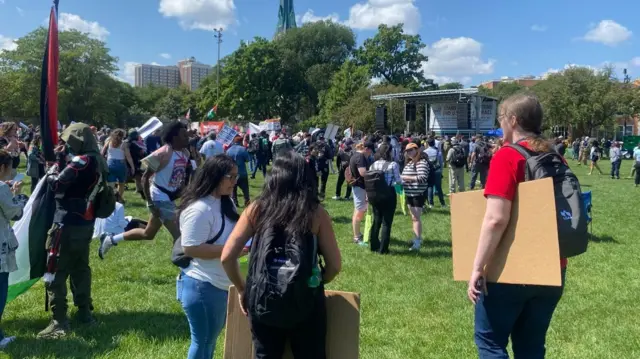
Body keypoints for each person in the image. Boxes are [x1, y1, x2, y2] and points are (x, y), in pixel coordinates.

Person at [468, 93, 565, 358]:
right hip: (553, 267)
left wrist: (477, 268)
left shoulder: (507, 157)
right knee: (531, 346)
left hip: (511, 269)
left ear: (512, 120)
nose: (501, 125)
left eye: (501, 119)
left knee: (490, 343)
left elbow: (496, 218)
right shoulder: (555, 155)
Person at [221, 150, 342, 359]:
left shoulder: (256, 209)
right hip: (306, 300)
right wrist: (319, 279)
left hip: (263, 299)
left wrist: (243, 289)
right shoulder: (315, 213)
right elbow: (334, 264)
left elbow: (227, 256)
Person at [38, 123, 107, 338]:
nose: (66, 144)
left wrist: (53, 168)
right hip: (85, 223)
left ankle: (59, 321)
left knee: (56, 270)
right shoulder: (98, 160)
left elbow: (58, 184)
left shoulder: (81, 160)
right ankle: (85, 313)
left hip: (66, 223)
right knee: (80, 268)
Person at [176, 155, 241, 359]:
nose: (234, 182)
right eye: (231, 177)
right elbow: (191, 248)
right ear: (215, 176)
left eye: (236, 177)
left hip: (219, 284)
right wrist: (231, 250)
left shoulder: (224, 202)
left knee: (209, 341)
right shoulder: (199, 210)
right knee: (202, 340)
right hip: (202, 285)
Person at [98, 121, 190, 259]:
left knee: (148, 234)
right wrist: (151, 202)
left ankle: (111, 239)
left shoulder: (185, 153)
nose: (187, 138)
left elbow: (180, 176)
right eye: (184, 135)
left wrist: (183, 194)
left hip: (169, 197)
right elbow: (145, 178)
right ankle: (184, 269)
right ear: (174, 137)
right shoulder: (162, 153)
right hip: (159, 197)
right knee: (180, 236)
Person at [0, 150, 26, 348]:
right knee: (0, 290)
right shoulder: (1, 187)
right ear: (3, 167)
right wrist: (19, 196)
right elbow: (14, 213)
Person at [368, 144, 400, 254]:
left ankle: (374, 245)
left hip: (375, 195)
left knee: (376, 221)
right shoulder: (393, 165)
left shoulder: (373, 165)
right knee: (387, 222)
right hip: (389, 194)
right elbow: (398, 181)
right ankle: (383, 249)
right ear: (389, 152)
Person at [402, 143, 429, 251]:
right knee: (414, 217)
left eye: (410, 150)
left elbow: (422, 178)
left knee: (416, 218)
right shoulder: (409, 162)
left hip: (418, 194)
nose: (408, 152)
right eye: (407, 151)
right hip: (410, 193)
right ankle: (416, 238)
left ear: (417, 150)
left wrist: (404, 177)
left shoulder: (421, 162)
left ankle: (417, 240)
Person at [350, 142, 374, 244]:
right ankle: (356, 236)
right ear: (367, 149)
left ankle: (358, 234)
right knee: (359, 211)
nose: (370, 154)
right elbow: (363, 172)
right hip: (360, 186)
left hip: (358, 186)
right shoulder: (360, 156)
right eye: (370, 152)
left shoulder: (355, 155)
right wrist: (374, 173)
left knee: (358, 210)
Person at [102, 129, 135, 203]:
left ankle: (111, 199)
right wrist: (132, 167)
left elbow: (102, 153)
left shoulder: (108, 142)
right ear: (122, 136)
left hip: (110, 163)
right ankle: (119, 198)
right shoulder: (124, 144)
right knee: (121, 183)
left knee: (110, 183)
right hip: (121, 164)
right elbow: (128, 156)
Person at [226, 136, 251, 207]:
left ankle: (235, 202)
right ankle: (247, 201)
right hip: (242, 172)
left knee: (233, 189)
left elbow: (227, 161)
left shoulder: (228, 150)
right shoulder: (243, 149)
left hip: (232, 173)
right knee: (245, 189)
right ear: (241, 141)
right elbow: (247, 159)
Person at [425, 138, 446, 209]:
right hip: (437, 170)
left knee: (430, 187)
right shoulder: (438, 152)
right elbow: (441, 163)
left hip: (429, 171)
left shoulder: (425, 152)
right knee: (438, 187)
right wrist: (441, 171)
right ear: (434, 143)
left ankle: (431, 203)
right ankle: (443, 203)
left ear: (427, 143)